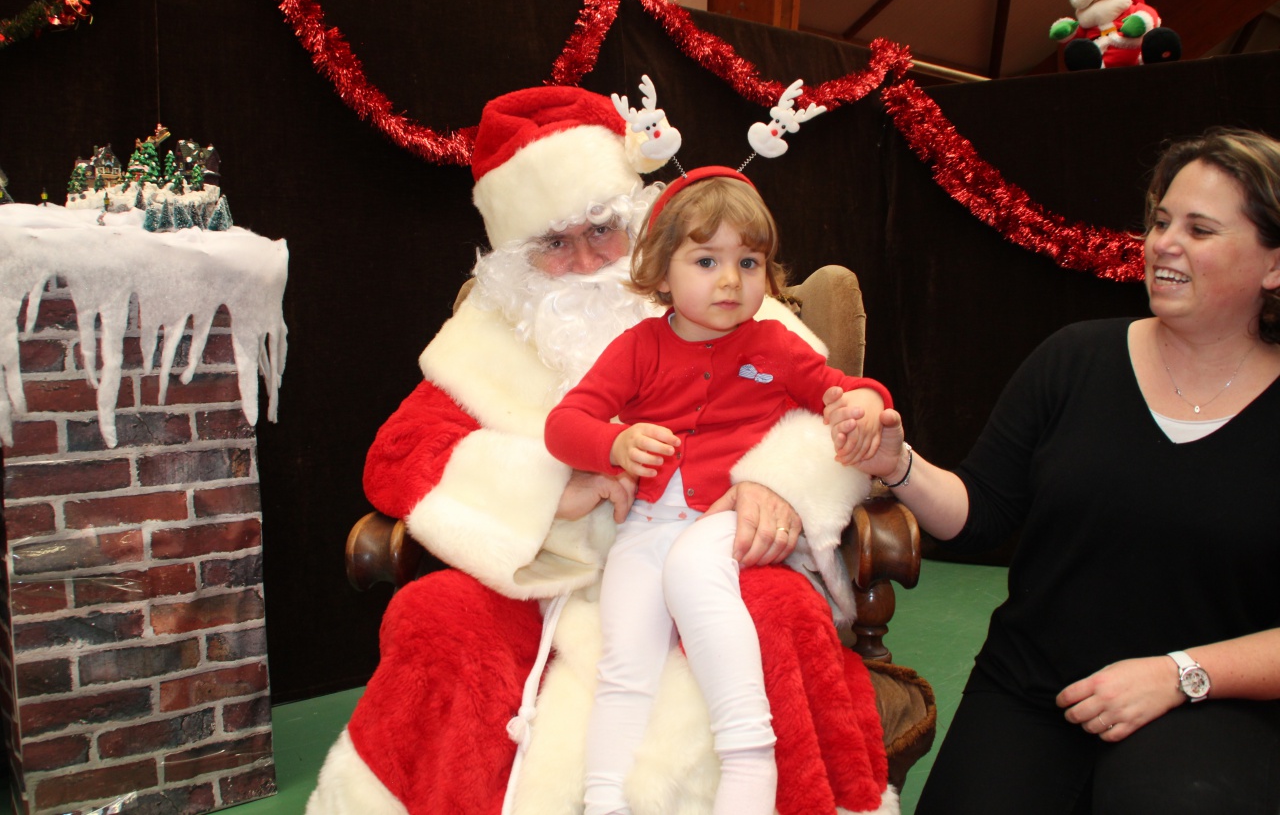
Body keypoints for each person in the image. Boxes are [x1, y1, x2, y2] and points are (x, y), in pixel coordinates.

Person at [306, 86, 897, 815]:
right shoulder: (483, 338)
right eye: (555, 242)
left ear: (640, 229)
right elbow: (399, 453)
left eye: (601, 230)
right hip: (551, 576)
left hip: (713, 551)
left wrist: (775, 481)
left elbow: (828, 405)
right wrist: (551, 488)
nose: (586, 260)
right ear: (516, 259)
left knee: (782, 611)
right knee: (435, 615)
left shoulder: (718, 288)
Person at [839, 125, 1280, 814]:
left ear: (1273, 265)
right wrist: (898, 463)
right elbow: (978, 511)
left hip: (1211, 701)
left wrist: (1181, 674)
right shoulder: (1074, 359)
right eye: (1161, 220)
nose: (1163, 243)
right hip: (1034, 687)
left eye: (1199, 229)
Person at [544, 167, 893, 815]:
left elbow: (842, 391)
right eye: (706, 260)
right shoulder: (639, 345)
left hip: (726, 517)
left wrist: (867, 407)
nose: (731, 280)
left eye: (749, 261)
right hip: (646, 523)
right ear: (662, 272)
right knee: (624, 660)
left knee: (694, 565)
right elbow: (564, 425)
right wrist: (613, 445)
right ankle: (603, 800)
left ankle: (748, 757)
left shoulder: (776, 344)